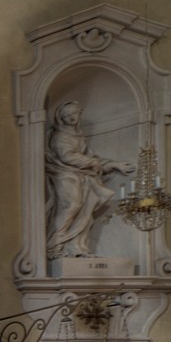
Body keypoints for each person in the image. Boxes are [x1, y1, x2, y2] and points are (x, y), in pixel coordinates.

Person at [44, 100, 128, 263]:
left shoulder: (78, 136)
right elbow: (66, 156)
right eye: (67, 115)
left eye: (75, 114)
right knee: (72, 206)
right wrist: (91, 163)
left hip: (83, 176)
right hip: (64, 174)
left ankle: (75, 247)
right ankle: (55, 244)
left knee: (86, 211)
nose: (72, 117)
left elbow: (93, 158)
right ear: (61, 118)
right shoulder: (60, 135)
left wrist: (114, 165)